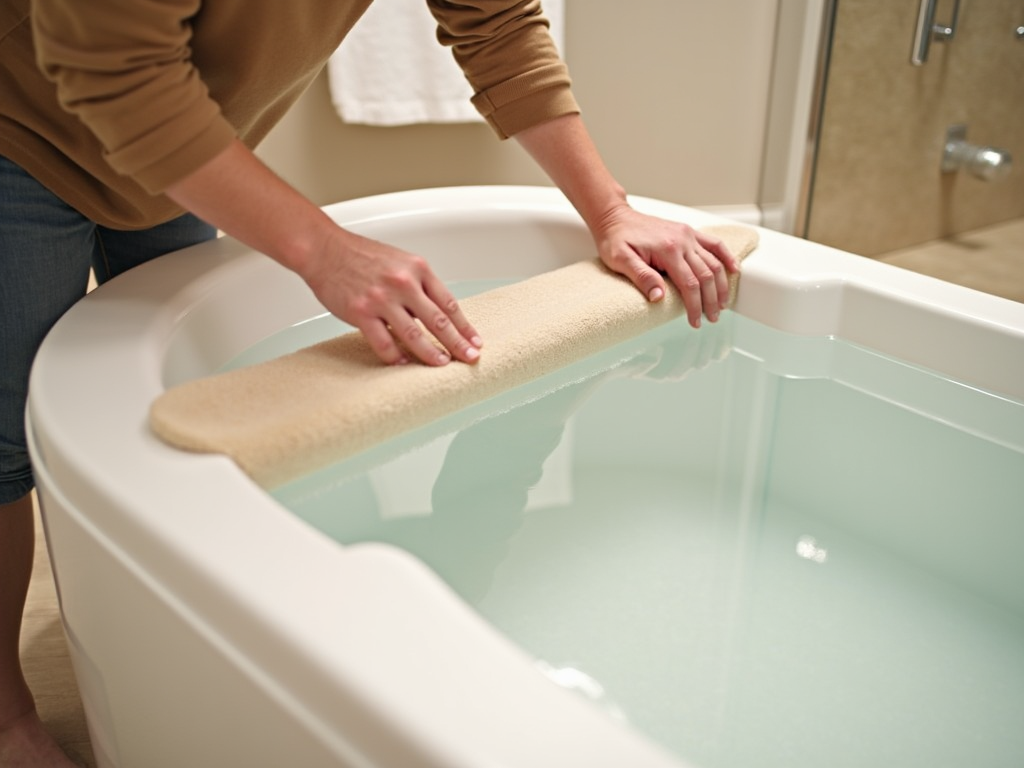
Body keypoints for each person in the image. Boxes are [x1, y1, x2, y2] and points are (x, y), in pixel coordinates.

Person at [0, 1, 741, 764]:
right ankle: (5, 714)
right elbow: (114, 73)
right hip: (21, 129)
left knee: (188, 406)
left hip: (178, 148)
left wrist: (611, 211)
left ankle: (165, 633)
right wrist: (321, 250)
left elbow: (498, 24)